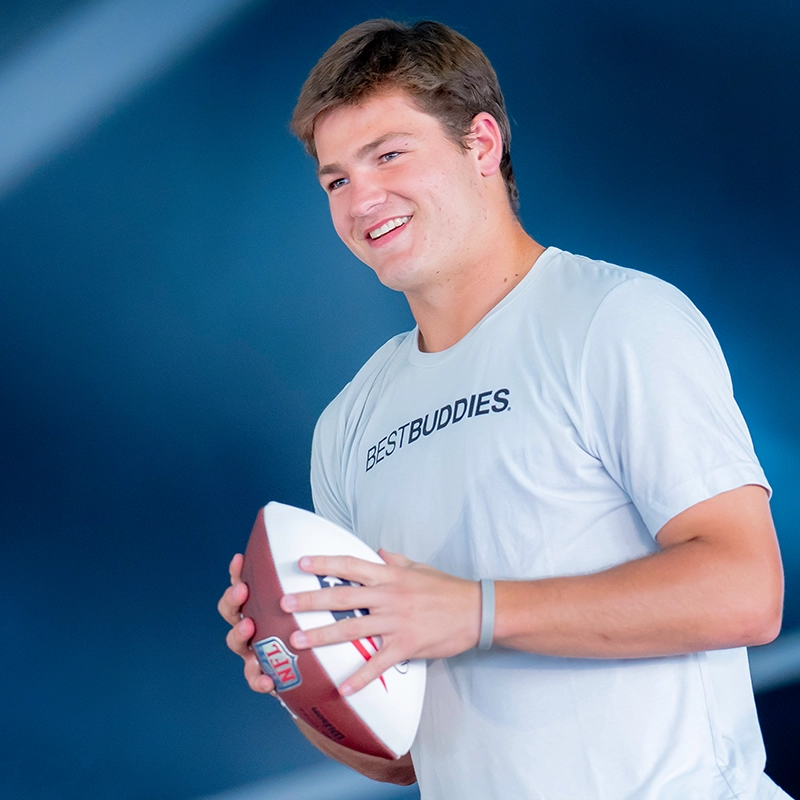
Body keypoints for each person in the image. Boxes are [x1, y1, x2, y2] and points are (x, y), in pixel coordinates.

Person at [218, 18, 790, 799]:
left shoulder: (613, 320)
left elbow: (746, 590)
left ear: (481, 144)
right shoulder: (348, 427)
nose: (362, 199)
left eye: (389, 155)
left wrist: (475, 612)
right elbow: (410, 758)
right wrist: (300, 676)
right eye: (336, 179)